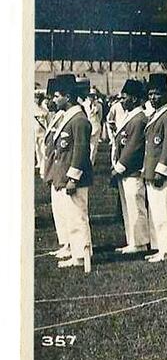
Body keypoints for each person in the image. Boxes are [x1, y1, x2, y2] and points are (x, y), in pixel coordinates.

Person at [48, 74, 94, 269]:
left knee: (77, 216)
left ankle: (82, 255)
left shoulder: (79, 120)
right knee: (70, 215)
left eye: (57, 95)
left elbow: (81, 152)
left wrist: (73, 178)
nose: (54, 99)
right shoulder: (69, 117)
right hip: (64, 175)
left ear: (67, 97)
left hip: (75, 178)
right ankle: (75, 250)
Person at [143, 73, 167, 262]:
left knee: (164, 211)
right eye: (150, 94)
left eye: (157, 94)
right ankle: (160, 247)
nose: (153, 98)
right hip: (152, 170)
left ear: (166, 94)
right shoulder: (157, 114)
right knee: (156, 212)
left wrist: (161, 170)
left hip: (163, 173)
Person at [110, 79, 150, 253]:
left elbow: (133, 147)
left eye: (125, 97)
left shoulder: (139, 119)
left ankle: (140, 242)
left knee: (136, 206)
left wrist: (118, 167)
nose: (122, 101)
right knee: (128, 208)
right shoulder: (130, 116)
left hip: (132, 170)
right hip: (125, 171)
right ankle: (132, 240)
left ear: (134, 99)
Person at [40, 79, 71, 259]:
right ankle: (65, 242)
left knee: (65, 209)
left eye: (53, 96)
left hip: (61, 169)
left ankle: (69, 243)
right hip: (53, 168)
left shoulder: (63, 116)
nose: (49, 100)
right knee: (58, 210)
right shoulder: (55, 116)